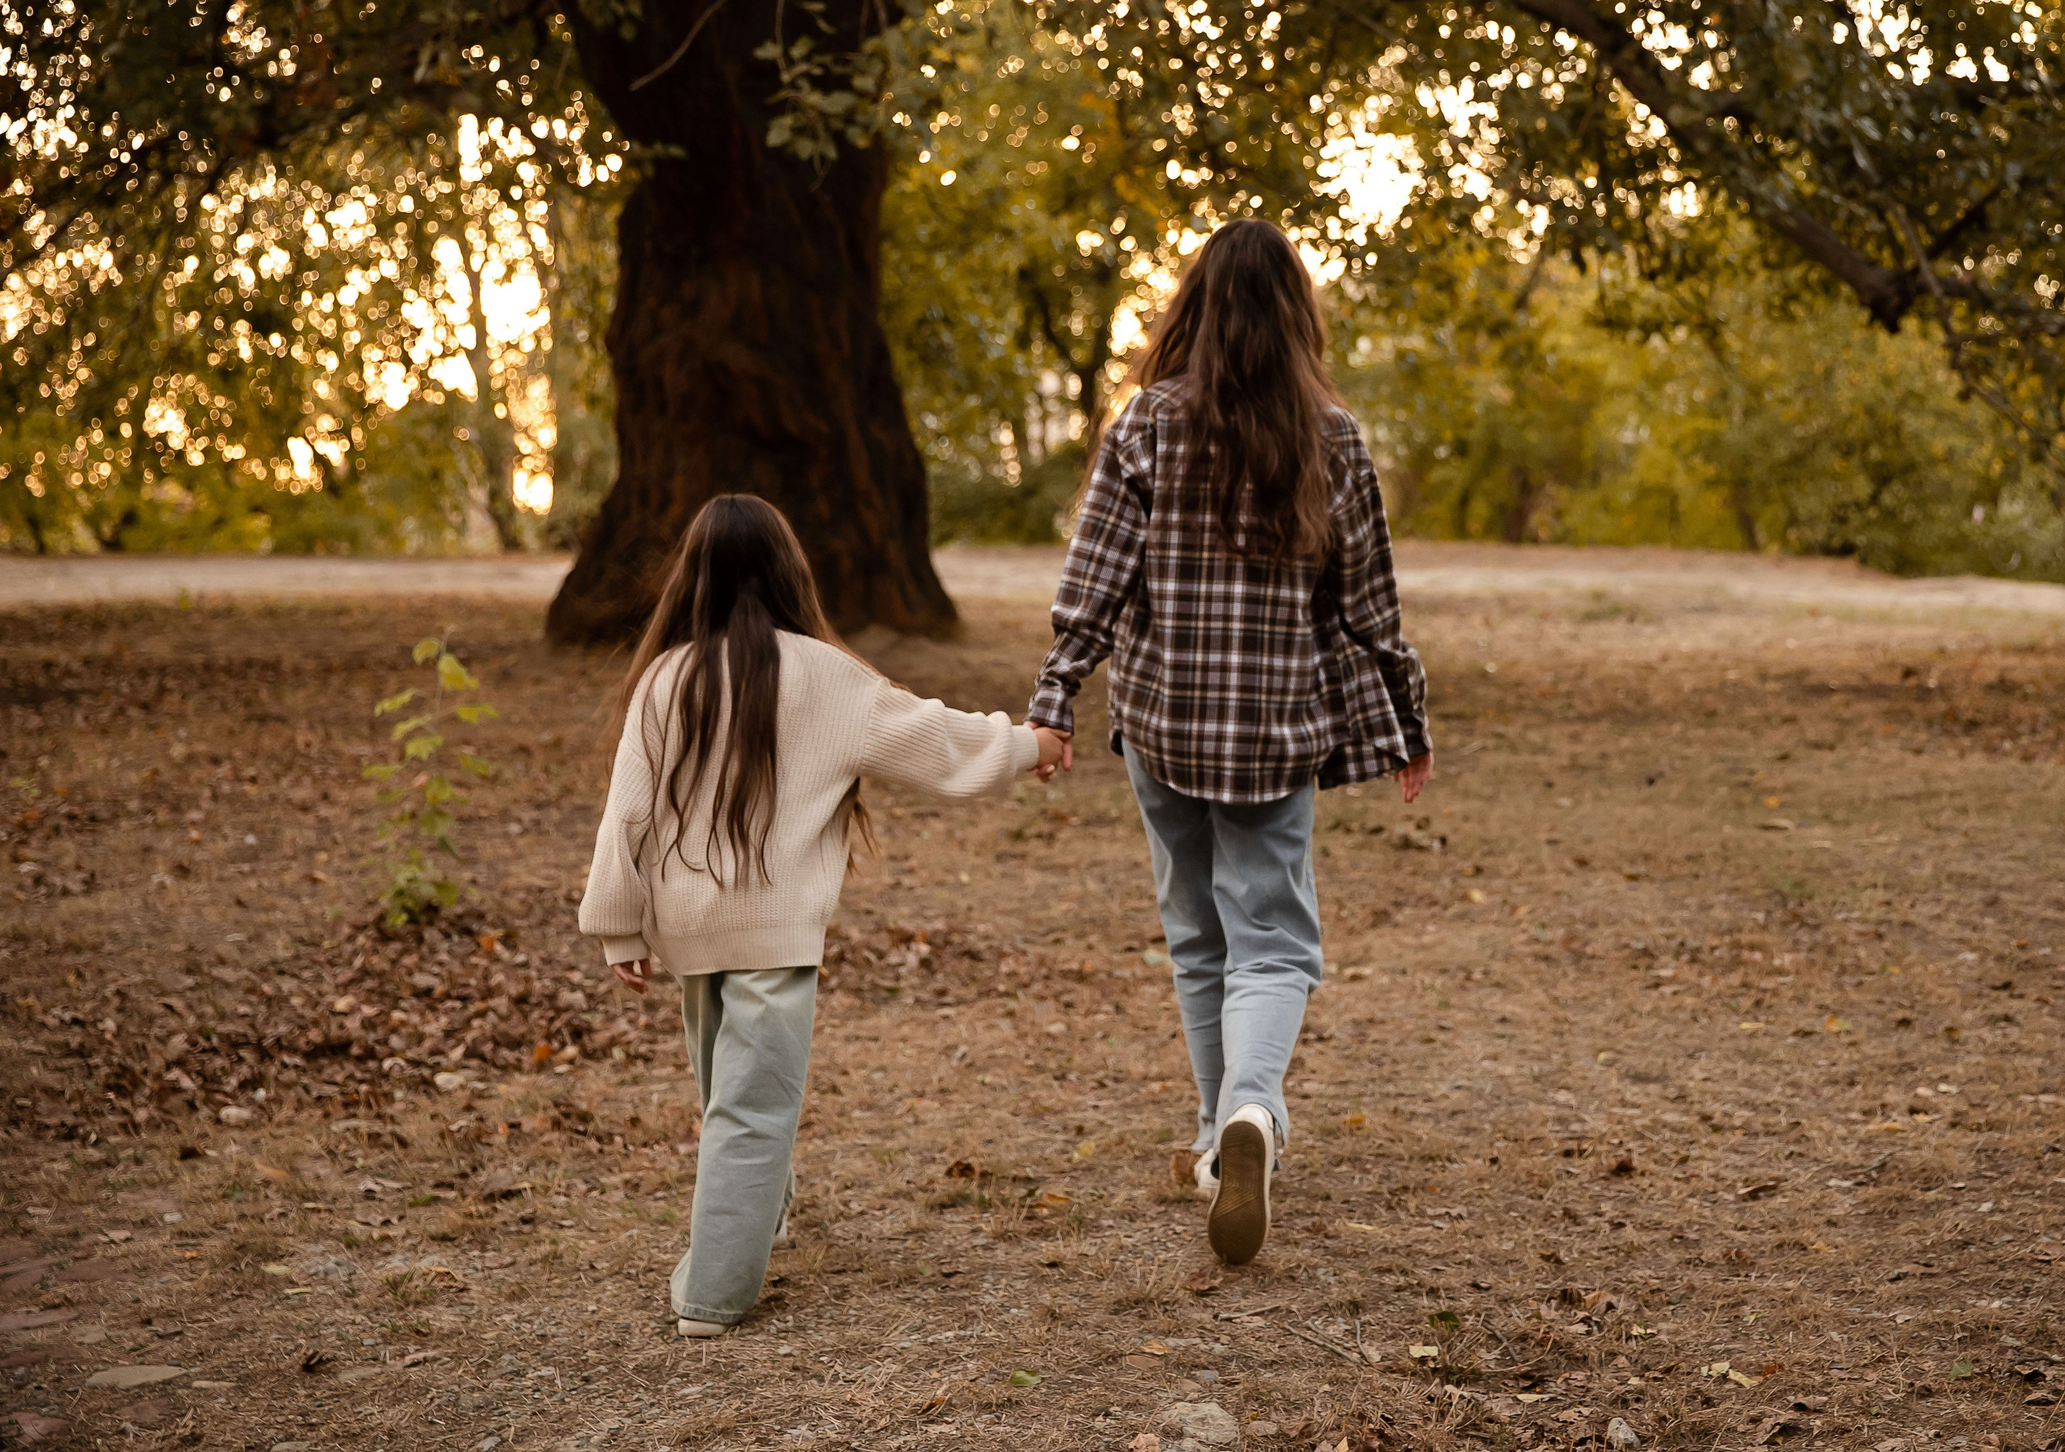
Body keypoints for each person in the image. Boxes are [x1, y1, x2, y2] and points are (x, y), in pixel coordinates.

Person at [1027, 217, 1432, 1268]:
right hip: (1271, 728)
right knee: (1275, 941)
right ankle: (1249, 1115)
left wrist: (1057, 694)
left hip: (1162, 724)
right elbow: (1369, 607)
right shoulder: (1331, 435)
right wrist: (1406, 719)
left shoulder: (1147, 424)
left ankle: (1220, 1140)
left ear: (1194, 309)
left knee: (1197, 937)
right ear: (1296, 314)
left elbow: (1094, 580)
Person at [578, 494, 1064, 1337]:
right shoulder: (829, 677)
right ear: (788, 571)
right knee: (752, 1105)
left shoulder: (665, 678)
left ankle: (756, 1221)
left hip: (690, 928)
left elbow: (627, 812)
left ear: (690, 581)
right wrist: (1029, 744)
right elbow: (938, 740)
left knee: (731, 1095)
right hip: (773, 932)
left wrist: (622, 924)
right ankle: (713, 1298)